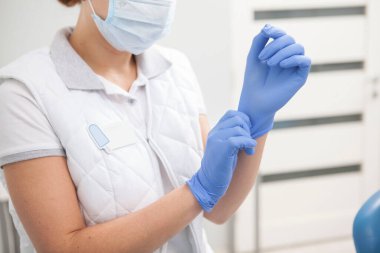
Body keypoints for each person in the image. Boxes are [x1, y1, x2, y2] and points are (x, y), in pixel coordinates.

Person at [0, 0, 311, 252]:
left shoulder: (176, 69)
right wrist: (196, 191)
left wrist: (257, 121)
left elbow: (219, 209)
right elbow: (64, 247)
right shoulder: (25, 91)